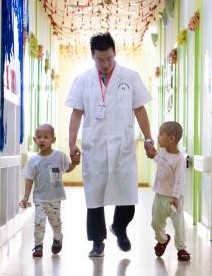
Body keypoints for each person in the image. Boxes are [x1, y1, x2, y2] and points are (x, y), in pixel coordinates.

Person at [67, 32, 158, 258]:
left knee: (127, 194)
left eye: (109, 58)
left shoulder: (130, 77)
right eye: (100, 59)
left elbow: (140, 110)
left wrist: (148, 139)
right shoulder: (83, 80)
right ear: (92, 57)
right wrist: (71, 143)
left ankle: (119, 227)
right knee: (94, 196)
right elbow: (76, 113)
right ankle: (97, 241)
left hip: (122, 146)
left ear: (115, 53)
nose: (105, 64)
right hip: (95, 146)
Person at [20, 124, 78, 258]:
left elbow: (67, 168)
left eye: (46, 137)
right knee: (39, 221)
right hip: (39, 198)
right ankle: (38, 246)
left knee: (55, 221)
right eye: (39, 137)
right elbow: (29, 179)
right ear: (34, 140)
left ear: (53, 139)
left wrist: (74, 163)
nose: (42, 140)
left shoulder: (59, 156)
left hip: (55, 197)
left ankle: (58, 237)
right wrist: (25, 197)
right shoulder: (33, 160)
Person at [151, 121, 190, 262]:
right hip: (159, 196)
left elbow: (179, 180)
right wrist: (152, 153)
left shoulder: (179, 159)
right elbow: (159, 161)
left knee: (178, 224)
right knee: (155, 223)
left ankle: (181, 248)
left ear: (172, 138)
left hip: (174, 199)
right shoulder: (162, 152)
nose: (158, 137)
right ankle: (162, 240)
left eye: (161, 134)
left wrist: (175, 197)